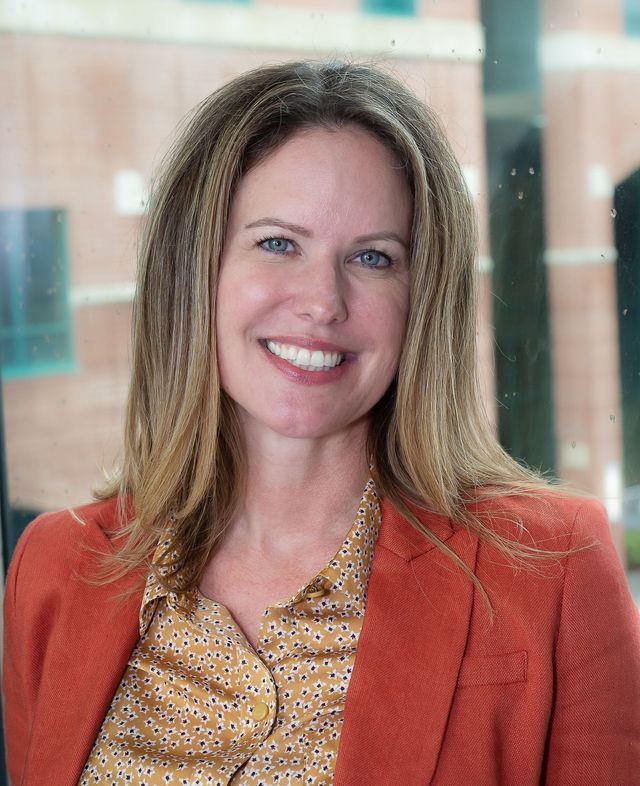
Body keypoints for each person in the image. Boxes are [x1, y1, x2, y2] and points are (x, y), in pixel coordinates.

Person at [3, 60, 639, 786]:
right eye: (278, 243)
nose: (322, 302)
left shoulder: (553, 567)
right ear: (196, 268)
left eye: (373, 257)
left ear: (421, 300)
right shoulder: (55, 568)